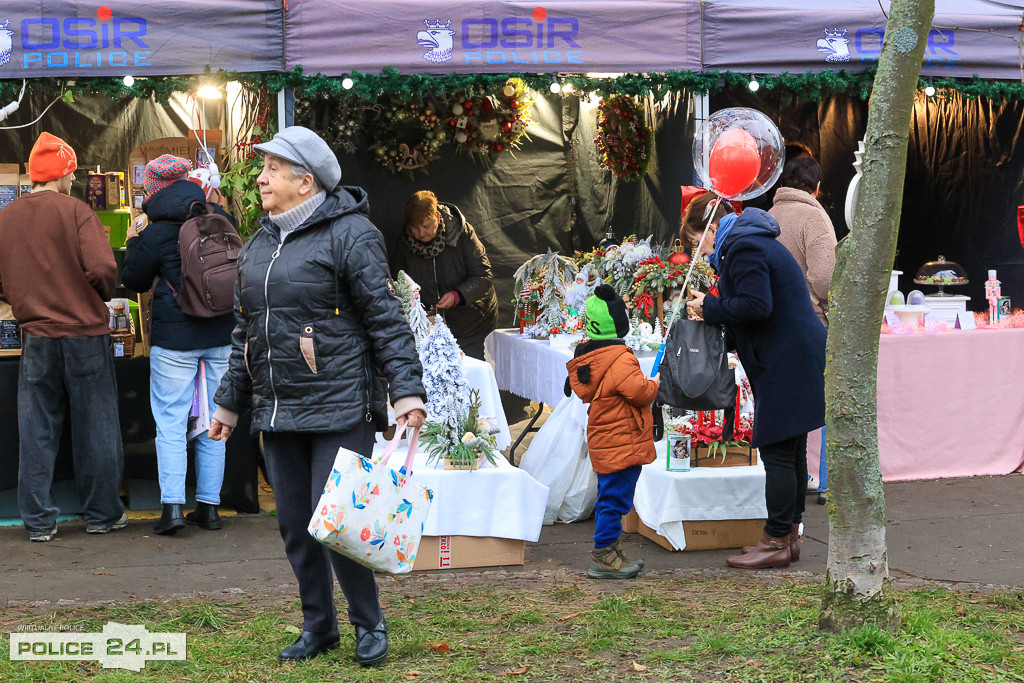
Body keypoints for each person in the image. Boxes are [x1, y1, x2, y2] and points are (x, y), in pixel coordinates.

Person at [208, 126, 426, 666]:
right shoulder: (259, 243)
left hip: (337, 406)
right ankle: (318, 626)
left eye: (273, 169)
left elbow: (385, 318)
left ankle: (368, 625)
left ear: (306, 182)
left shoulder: (353, 235)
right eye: (264, 169)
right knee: (295, 526)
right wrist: (228, 404)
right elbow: (247, 333)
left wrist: (406, 391)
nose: (261, 178)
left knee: (338, 524)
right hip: (277, 411)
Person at [682, 193, 825, 570]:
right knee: (790, 449)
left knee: (777, 449)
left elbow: (756, 305)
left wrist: (708, 308)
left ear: (712, 229)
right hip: (795, 357)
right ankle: (788, 536)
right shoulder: (754, 243)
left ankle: (776, 539)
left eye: (699, 243)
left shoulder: (743, 249)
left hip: (786, 362)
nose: (702, 252)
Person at [0, 132, 127, 541]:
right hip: (85, 334)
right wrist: (95, 295)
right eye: (72, 173)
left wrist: (20, 295)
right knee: (97, 426)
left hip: (36, 334)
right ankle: (103, 514)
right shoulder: (77, 212)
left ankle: (38, 522)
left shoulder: (5, 218)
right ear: (63, 172)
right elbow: (104, 270)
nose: (74, 181)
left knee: (36, 428)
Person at [121, 155, 236, 536]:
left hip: (175, 342)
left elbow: (133, 280)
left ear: (152, 189)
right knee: (213, 422)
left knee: (170, 423)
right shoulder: (219, 218)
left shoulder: (154, 231)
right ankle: (210, 508)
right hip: (221, 336)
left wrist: (134, 241)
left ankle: (172, 509)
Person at [565, 284, 659, 580]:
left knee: (613, 495)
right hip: (620, 441)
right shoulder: (620, 358)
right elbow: (639, 393)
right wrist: (654, 382)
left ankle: (611, 550)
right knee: (614, 498)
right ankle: (603, 555)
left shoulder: (596, 356)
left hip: (608, 439)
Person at [769, 156, 836, 505]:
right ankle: (823, 480)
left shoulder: (772, 214)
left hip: (773, 323)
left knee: (787, 410)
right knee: (823, 405)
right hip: (810, 322)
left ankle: (793, 489)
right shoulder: (813, 216)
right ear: (816, 186)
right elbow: (825, 277)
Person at [389, 191, 498, 360]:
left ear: (438, 217)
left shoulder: (463, 234)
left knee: (470, 375)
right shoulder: (404, 245)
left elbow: (483, 276)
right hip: (430, 327)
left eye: (426, 226)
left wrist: (458, 295)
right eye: (415, 228)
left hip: (471, 323)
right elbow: (397, 283)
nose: (421, 233)